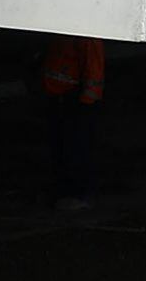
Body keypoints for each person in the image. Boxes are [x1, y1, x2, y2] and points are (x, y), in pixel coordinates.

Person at [39, 35, 104, 207]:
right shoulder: (66, 33)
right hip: (63, 97)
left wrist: (85, 102)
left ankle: (78, 193)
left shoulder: (85, 36)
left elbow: (93, 71)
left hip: (74, 99)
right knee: (65, 146)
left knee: (76, 147)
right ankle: (68, 191)